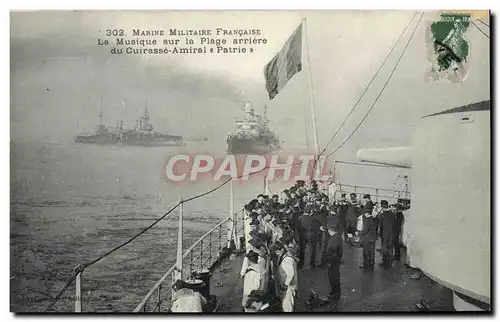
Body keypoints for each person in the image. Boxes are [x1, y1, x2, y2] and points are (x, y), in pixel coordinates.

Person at [322, 218, 343, 300]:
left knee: (333, 278)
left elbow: (331, 251)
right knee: (336, 276)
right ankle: (336, 291)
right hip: (336, 261)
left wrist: (327, 260)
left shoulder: (333, 239)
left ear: (331, 230)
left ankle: (335, 292)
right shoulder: (338, 237)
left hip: (332, 261)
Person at [277, 243, 299, 312]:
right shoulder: (287, 256)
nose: (276, 253)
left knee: (287, 306)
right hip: (289, 285)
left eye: (277, 251)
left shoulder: (287, 260)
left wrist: (286, 285)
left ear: (282, 250)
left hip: (288, 287)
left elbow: (291, 274)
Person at [359, 206, 377, 270]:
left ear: (367, 213)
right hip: (373, 238)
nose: (364, 214)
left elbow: (365, 230)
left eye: (364, 213)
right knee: (372, 253)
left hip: (367, 238)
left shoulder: (368, 220)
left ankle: (366, 266)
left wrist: (359, 234)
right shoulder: (374, 219)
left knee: (366, 252)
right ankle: (371, 266)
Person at [379, 200, 395, 268]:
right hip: (392, 233)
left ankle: (385, 262)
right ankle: (390, 262)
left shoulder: (382, 215)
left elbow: (380, 226)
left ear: (382, 206)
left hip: (385, 233)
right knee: (390, 247)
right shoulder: (393, 214)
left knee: (385, 247)